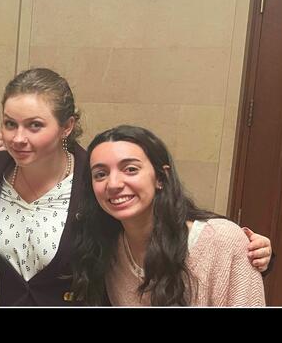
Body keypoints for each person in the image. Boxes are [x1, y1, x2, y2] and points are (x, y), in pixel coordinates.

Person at [0, 68, 273, 306]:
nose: (18, 138)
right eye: (9, 124)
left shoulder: (92, 179)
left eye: (34, 125)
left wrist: (249, 249)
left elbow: (167, 228)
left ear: (66, 126)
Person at [74, 125, 266, 305]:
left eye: (130, 169)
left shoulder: (221, 240)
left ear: (161, 177)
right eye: (100, 174)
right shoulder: (108, 248)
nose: (113, 184)